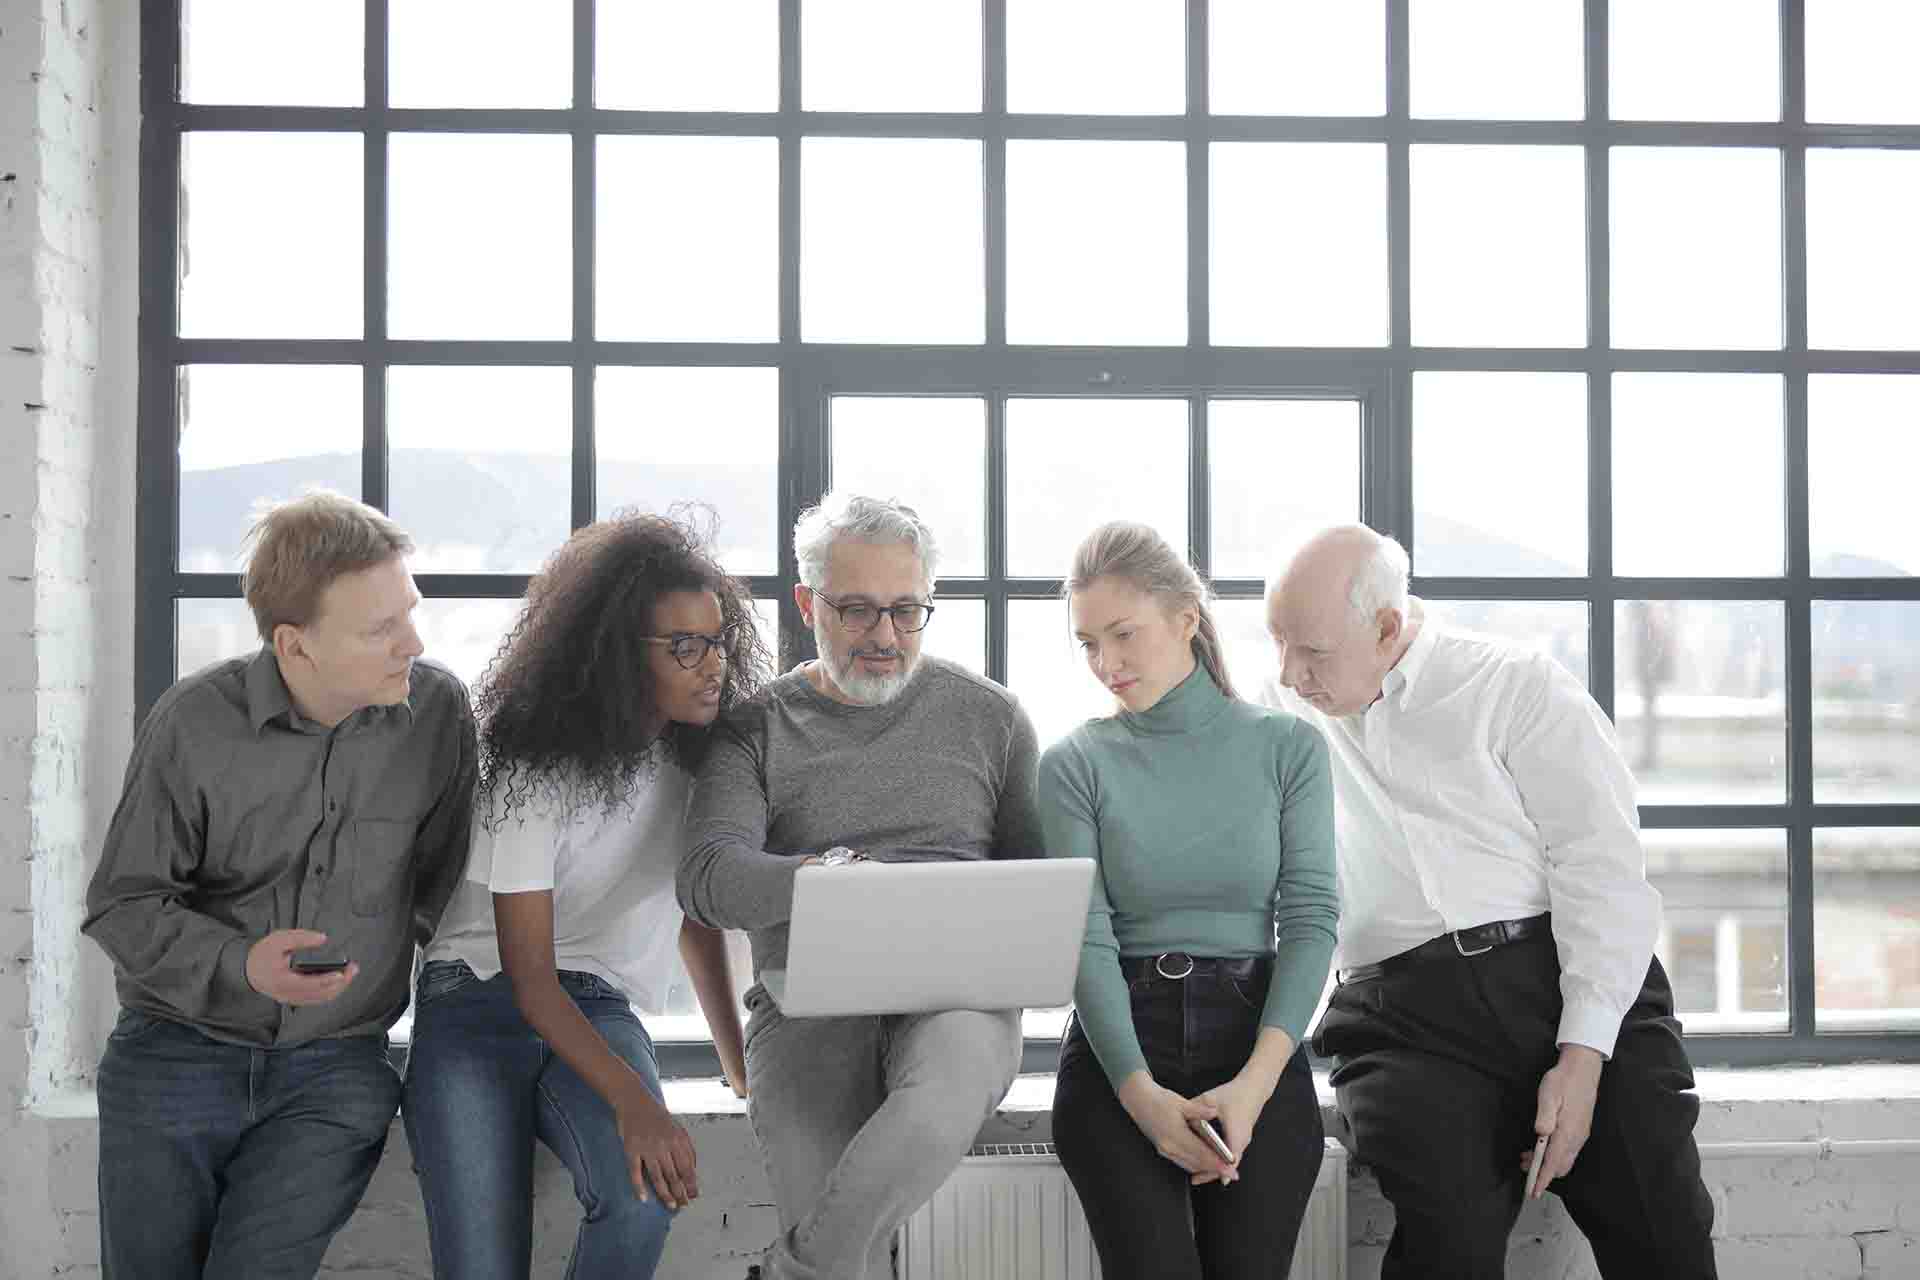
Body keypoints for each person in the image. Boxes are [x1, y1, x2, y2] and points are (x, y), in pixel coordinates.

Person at [1261, 525, 1717, 1279]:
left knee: (1662, 1224)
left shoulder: (1515, 686)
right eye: (1277, 642)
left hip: (1559, 971)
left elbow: (1601, 867)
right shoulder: (1284, 709)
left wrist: (1582, 1056)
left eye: (1311, 651)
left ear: (1384, 629)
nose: (1288, 673)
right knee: (1449, 1238)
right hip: (1402, 1019)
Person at [83, 490, 478, 1280]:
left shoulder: (438, 714)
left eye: (411, 611)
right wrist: (242, 965)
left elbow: (438, 881)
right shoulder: (193, 723)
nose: (414, 641)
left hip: (335, 1073)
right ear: (295, 646)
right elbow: (121, 906)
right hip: (173, 1058)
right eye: (381, 628)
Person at [677, 491, 1044, 1280]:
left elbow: (1043, 886)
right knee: (843, 1236)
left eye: (906, 612)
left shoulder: (993, 719)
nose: (884, 636)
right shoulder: (756, 726)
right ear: (808, 603)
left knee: (941, 1091)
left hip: (960, 1000)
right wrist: (836, 883)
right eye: (857, 611)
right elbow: (708, 880)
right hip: (808, 1004)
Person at [401, 512, 769, 1279]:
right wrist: (637, 1103)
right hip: (475, 1001)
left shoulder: (700, 764)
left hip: (598, 1005)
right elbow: (529, 978)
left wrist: (740, 1067)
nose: (714, 667)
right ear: (616, 655)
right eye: (684, 647)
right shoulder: (534, 768)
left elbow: (694, 918)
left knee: (642, 1200)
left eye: (718, 640)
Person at [1039, 521, 1338, 1280]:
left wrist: (1253, 1088)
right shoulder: (1074, 764)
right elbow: (1085, 940)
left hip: (1257, 1045)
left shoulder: (1288, 748)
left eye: (1123, 634)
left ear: (1185, 619)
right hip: (1119, 1057)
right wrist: (1143, 1101)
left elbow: (1309, 920)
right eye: (1088, 643)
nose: (1106, 662)